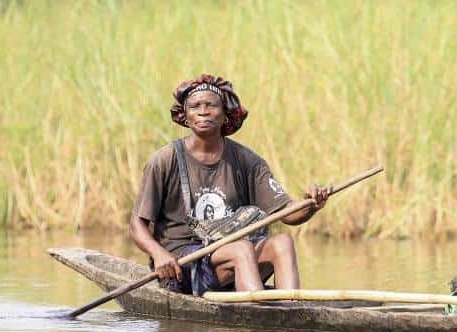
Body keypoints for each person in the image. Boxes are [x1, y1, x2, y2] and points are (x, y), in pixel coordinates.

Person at [130, 74, 329, 295]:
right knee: (241, 249)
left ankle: (291, 311)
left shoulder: (247, 161)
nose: (203, 111)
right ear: (185, 117)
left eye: (211, 105)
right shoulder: (164, 160)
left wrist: (311, 204)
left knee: (282, 242)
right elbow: (137, 225)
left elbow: (288, 214)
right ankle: (255, 314)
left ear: (225, 115)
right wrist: (159, 255)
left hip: (231, 260)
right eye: (195, 106)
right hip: (182, 266)